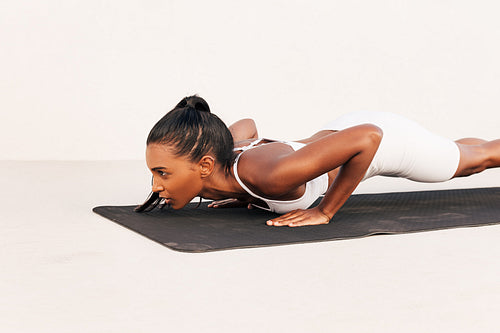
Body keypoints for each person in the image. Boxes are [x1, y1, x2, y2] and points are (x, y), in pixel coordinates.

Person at [135, 95, 500, 227]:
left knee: (475, 161)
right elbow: (246, 125)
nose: (156, 186)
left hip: (383, 141)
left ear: (203, 164)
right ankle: (449, 147)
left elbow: (368, 137)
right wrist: (239, 193)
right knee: (455, 149)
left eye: (162, 172)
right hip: (338, 133)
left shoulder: (271, 175)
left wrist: (326, 210)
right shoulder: (221, 166)